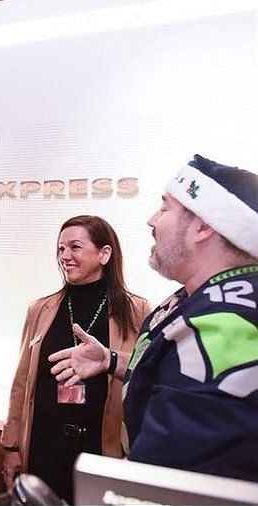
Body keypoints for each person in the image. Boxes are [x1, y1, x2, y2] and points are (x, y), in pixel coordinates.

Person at [49, 154, 258, 483]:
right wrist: (110, 360)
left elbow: (172, 483)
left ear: (203, 226)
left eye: (165, 207)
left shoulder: (224, 322)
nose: (152, 220)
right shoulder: (191, 299)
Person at [0, 215, 151, 504]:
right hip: (44, 446)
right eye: (60, 249)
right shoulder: (40, 310)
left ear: (104, 254)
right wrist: (10, 445)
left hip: (101, 450)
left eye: (75, 247)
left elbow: (145, 376)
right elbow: (21, 382)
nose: (64, 256)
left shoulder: (137, 311)